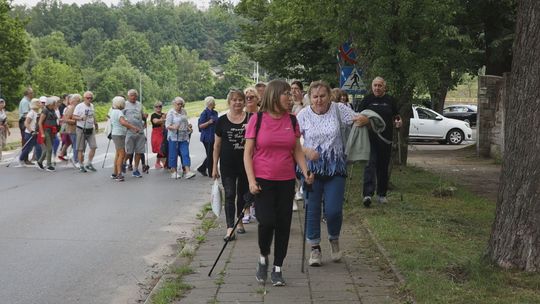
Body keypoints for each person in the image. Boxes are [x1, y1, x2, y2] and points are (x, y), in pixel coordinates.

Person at [244, 79, 313, 287]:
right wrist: (251, 181)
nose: (290, 98)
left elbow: (297, 150)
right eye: (286, 94)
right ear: (275, 95)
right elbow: (247, 154)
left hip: (285, 181)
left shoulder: (292, 120)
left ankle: (278, 267)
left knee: (283, 224)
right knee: (266, 222)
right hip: (263, 181)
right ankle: (263, 257)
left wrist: (305, 171)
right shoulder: (257, 119)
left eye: (291, 95)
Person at [297, 80, 369, 266]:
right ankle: (314, 248)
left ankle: (334, 238)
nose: (319, 100)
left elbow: (359, 119)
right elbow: (293, 143)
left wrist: (364, 120)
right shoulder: (303, 115)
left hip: (335, 167)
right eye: (315, 97)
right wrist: (306, 152)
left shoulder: (339, 109)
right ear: (309, 98)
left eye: (322, 96)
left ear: (329, 96)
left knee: (333, 210)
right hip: (311, 169)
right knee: (312, 209)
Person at [357, 76, 402, 207]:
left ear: (384, 87)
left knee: (383, 167)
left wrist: (399, 123)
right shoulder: (367, 100)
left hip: (386, 139)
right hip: (370, 138)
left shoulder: (390, 100)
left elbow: (397, 117)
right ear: (372, 86)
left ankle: (382, 194)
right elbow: (358, 116)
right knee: (370, 164)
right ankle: (367, 195)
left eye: (379, 85)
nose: (377, 88)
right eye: (375, 85)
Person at [212, 90, 249, 240]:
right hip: (227, 165)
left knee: (242, 195)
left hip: (246, 164)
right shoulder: (221, 121)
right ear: (229, 102)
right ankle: (229, 227)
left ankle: (239, 222)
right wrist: (214, 166)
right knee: (229, 194)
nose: (237, 102)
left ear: (244, 102)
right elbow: (217, 145)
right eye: (234, 100)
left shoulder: (251, 119)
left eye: (240, 100)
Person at [109, 96, 141, 182]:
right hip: (119, 135)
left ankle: (115, 172)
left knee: (118, 154)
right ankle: (119, 174)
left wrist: (131, 128)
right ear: (120, 104)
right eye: (123, 103)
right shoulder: (119, 112)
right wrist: (134, 127)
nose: (125, 104)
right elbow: (123, 123)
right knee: (122, 154)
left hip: (117, 134)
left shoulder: (113, 111)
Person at [166, 97, 195, 179]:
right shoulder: (171, 113)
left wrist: (189, 127)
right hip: (174, 137)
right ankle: (173, 171)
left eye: (181, 104)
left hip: (184, 136)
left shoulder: (184, 111)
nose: (180, 106)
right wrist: (174, 127)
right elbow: (167, 125)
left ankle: (187, 171)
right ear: (174, 104)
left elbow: (186, 121)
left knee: (185, 154)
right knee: (173, 154)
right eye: (178, 104)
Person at [123, 89, 147, 178]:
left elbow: (142, 115)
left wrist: (144, 116)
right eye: (132, 95)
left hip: (140, 131)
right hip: (130, 131)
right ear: (128, 96)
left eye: (135, 95)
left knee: (139, 151)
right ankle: (124, 163)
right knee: (129, 151)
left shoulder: (139, 104)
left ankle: (136, 169)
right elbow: (121, 118)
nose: (134, 97)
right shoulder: (124, 105)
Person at [73, 91, 98, 172]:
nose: (89, 99)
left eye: (91, 98)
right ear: (84, 98)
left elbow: (93, 116)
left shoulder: (92, 106)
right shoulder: (79, 106)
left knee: (93, 147)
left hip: (90, 129)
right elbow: (73, 116)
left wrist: (96, 124)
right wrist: (81, 118)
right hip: (81, 129)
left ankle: (89, 163)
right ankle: (81, 165)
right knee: (80, 149)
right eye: (88, 98)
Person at [197, 96, 218, 177]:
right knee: (210, 155)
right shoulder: (204, 113)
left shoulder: (215, 112)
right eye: (212, 102)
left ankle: (202, 168)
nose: (213, 103)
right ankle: (210, 172)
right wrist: (209, 122)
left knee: (212, 154)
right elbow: (200, 126)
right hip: (206, 137)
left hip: (214, 136)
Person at [36, 98, 59, 171]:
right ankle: (49, 165)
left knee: (47, 148)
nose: (55, 105)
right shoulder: (45, 110)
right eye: (54, 104)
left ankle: (40, 161)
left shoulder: (52, 110)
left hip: (52, 131)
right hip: (46, 131)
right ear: (50, 104)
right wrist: (42, 133)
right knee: (49, 148)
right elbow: (40, 123)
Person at [18, 99, 42, 166]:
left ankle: (39, 162)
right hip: (30, 133)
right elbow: (26, 123)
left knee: (38, 147)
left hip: (36, 133)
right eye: (38, 102)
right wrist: (31, 131)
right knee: (28, 148)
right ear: (35, 104)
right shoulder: (31, 113)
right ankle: (21, 159)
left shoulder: (38, 112)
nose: (40, 103)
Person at [60, 94, 80, 164]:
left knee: (77, 145)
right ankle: (76, 160)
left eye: (79, 101)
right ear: (73, 101)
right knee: (75, 145)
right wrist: (76, 121)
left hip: (77, 129)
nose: (79, 102)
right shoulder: (71, 108)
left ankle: (77, 159)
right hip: (72, 129)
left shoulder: (76, 107)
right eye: (78, 101)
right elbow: (65, 119)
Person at [18, 87, 33, 164]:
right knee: (26, 140)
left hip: (25, 121)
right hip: (24, 122)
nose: (32, 94)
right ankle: (24, 158)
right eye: (31, 93)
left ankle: (25, 158)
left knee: (27, 140)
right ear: (28, 94)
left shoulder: (27, 101)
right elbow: (25, 114)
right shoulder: (25, 102)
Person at [150, 101, 167, 169]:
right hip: (156, 132)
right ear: (154, 108)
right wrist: (163, 118)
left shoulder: (163, 114)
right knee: (161, 147)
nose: (158, 108)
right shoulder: (153, 115)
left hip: (164, 132)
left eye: (160, 106)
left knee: (163, 147)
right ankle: (164, 163)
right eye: (156, 106)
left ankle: (157, 163)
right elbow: (155, 121)